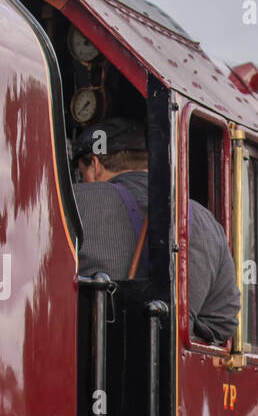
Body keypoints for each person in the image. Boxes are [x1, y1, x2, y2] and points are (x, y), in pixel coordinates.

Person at [72, 118, 240, 345]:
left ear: (95, 164)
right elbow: (223, 321)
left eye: (83, 174)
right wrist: (182, 322)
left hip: (84, 360)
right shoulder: (205, 220)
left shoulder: (75, 200)